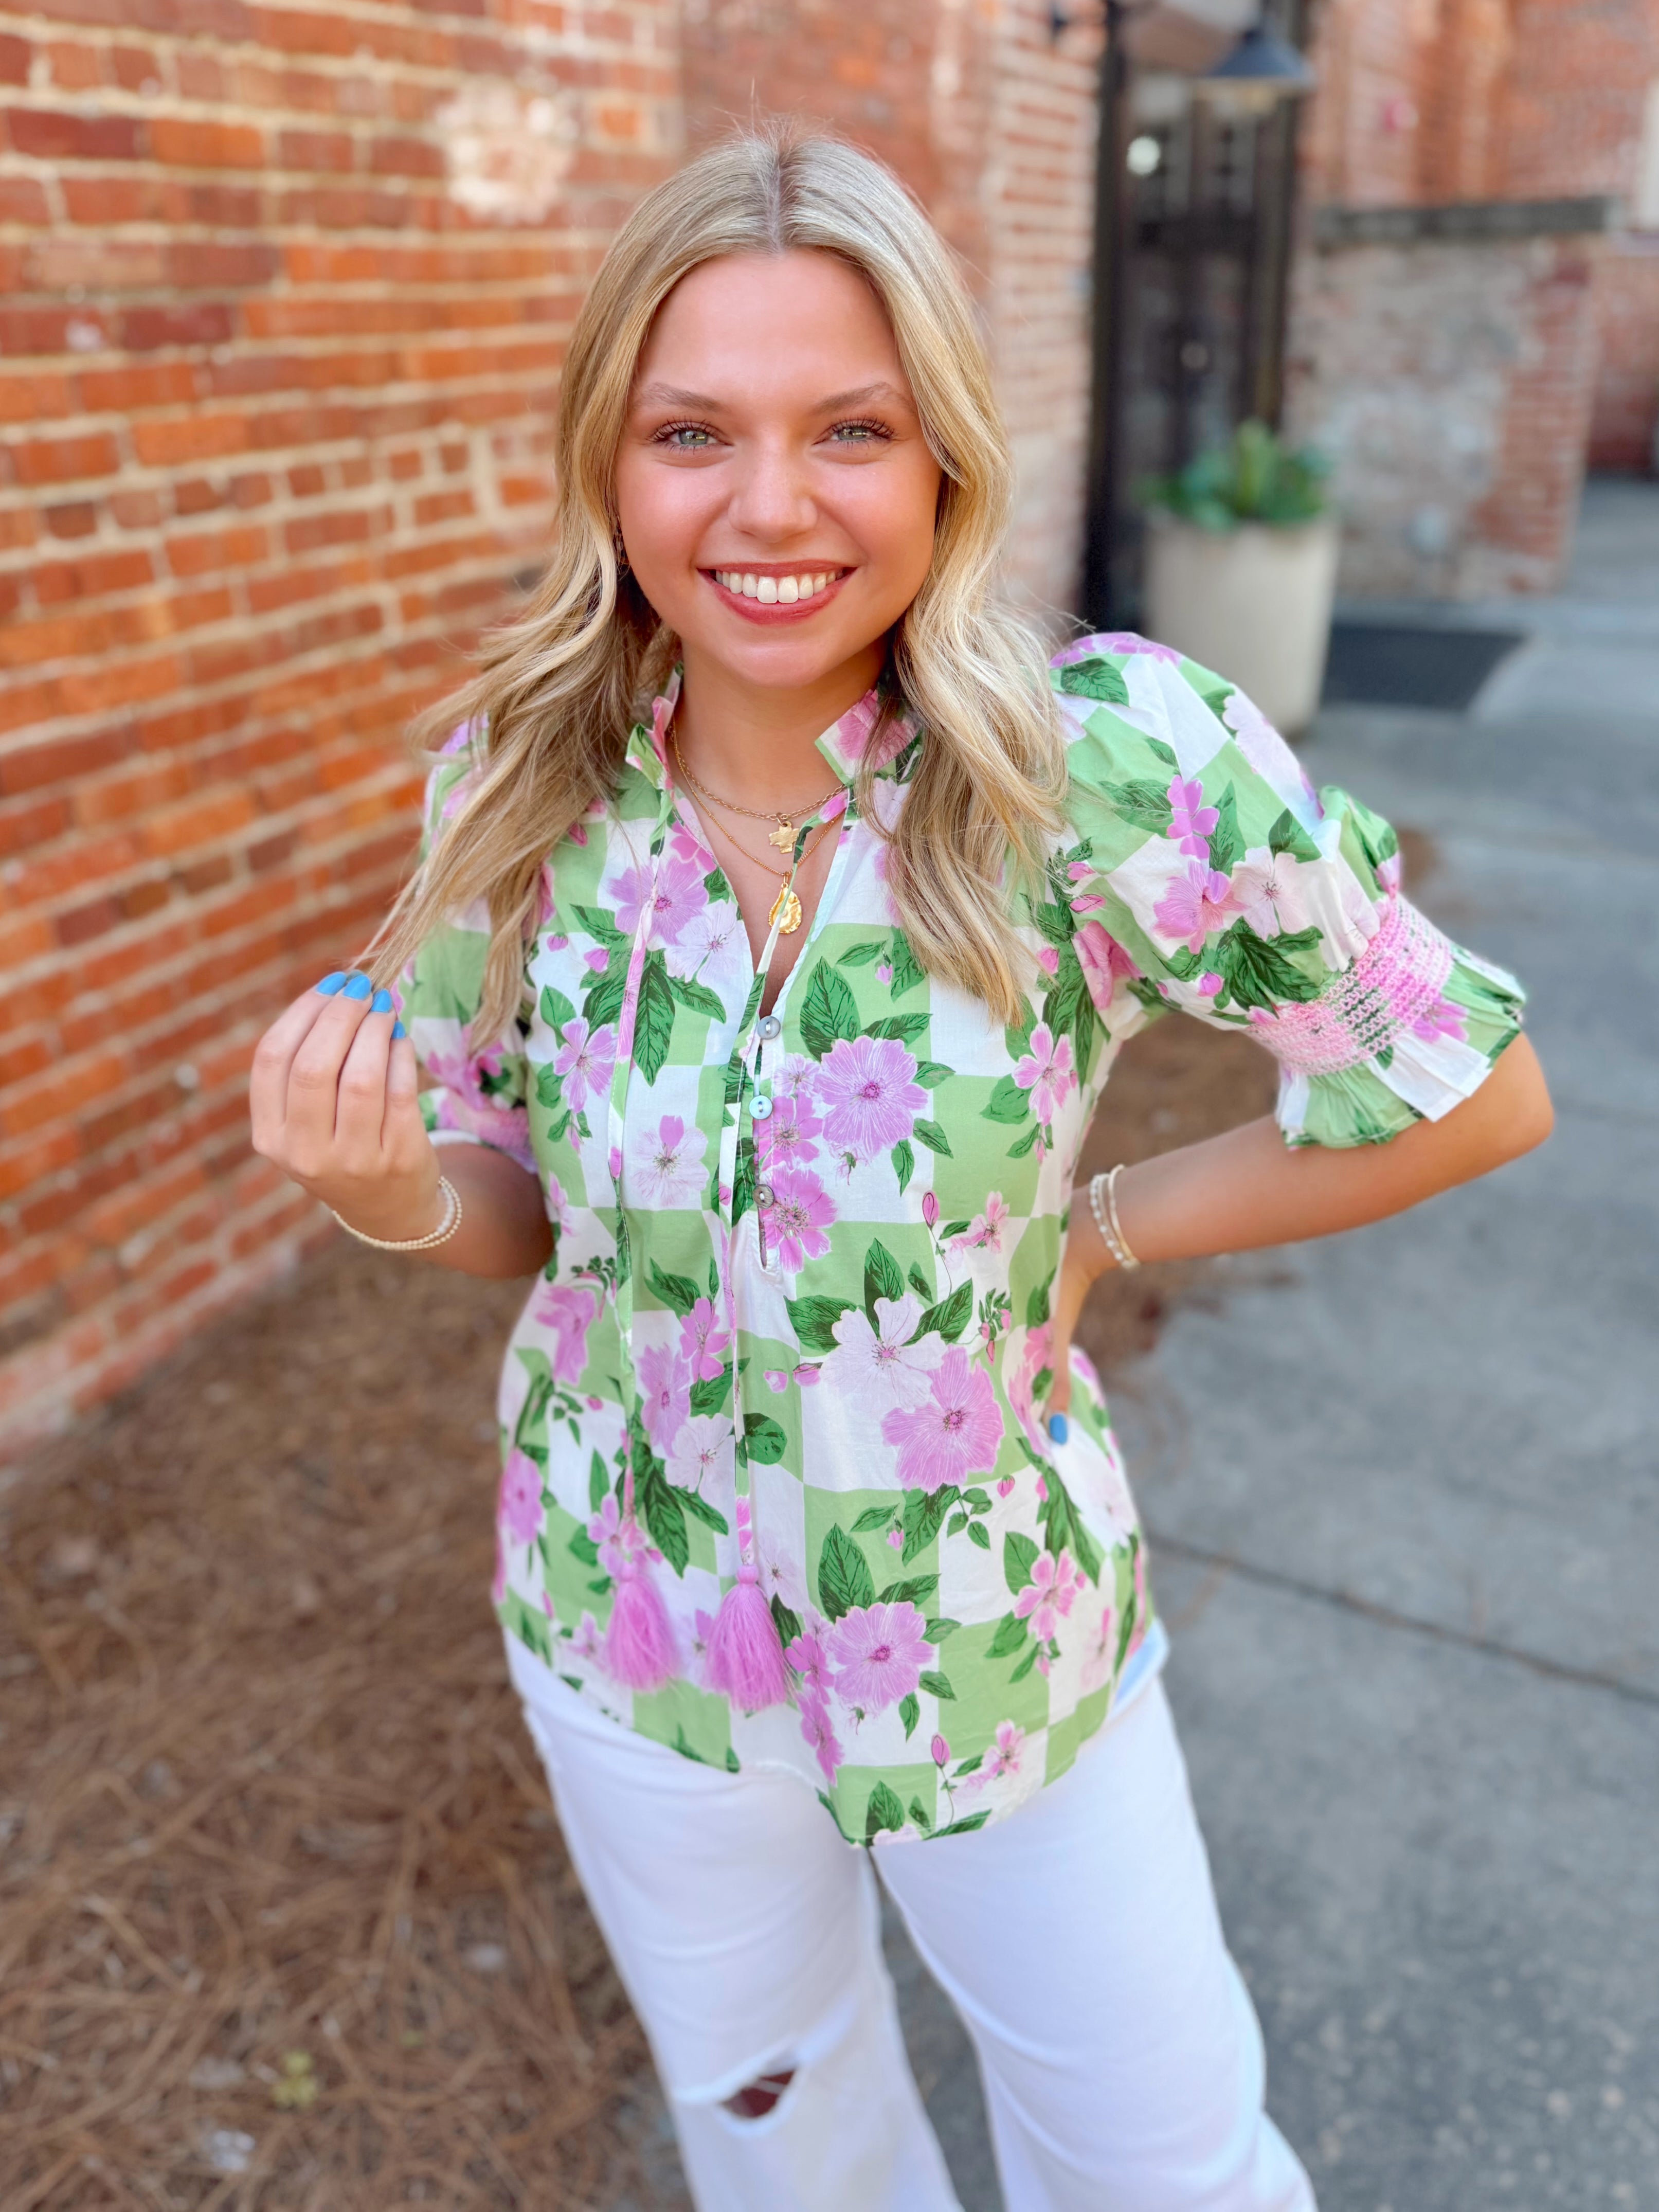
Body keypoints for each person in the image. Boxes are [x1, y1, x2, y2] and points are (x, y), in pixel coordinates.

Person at [249, 127, 1553, 2212]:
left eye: (849, 427)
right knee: (783, 2149)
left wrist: (1109, 1226)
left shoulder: (1105, 766)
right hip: (626, 1632)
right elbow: (518, 1203)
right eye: (693, 431)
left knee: (1170, 2175)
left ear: (943, 454)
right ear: (609, 460)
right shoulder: (517, 786)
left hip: (993, 1644)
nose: (768, 505)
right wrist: (389, 1183)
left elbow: (1466, 1086)